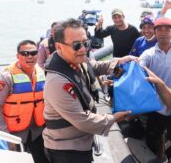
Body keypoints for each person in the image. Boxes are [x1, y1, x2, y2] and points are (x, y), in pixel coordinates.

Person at [42, 18, 135, 163]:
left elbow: (95, 66)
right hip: (67, 149)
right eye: (76, 45)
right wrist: (115, 117)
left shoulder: (77, 60)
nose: (83, 49)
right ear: (59, 47)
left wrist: (120, 61)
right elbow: (82, 120)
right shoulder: (57, 82)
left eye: (86, 43)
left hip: (83, 140)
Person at [139, 17, 171, 163]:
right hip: (156, 104)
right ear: (155, 33)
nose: (163, 33)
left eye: (166, 30)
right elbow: (138, 68)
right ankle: (161, 156)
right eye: (159, 30)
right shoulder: (148, 54)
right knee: (156, 135)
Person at [0, 40, 49, 163]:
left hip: (38, 132)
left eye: (33, 53)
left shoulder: (42, 73)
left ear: (38, 55)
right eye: (25, 53)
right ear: (17, 56)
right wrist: (7, 137)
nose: (29, 56)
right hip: (15, 135)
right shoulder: (7, 78)